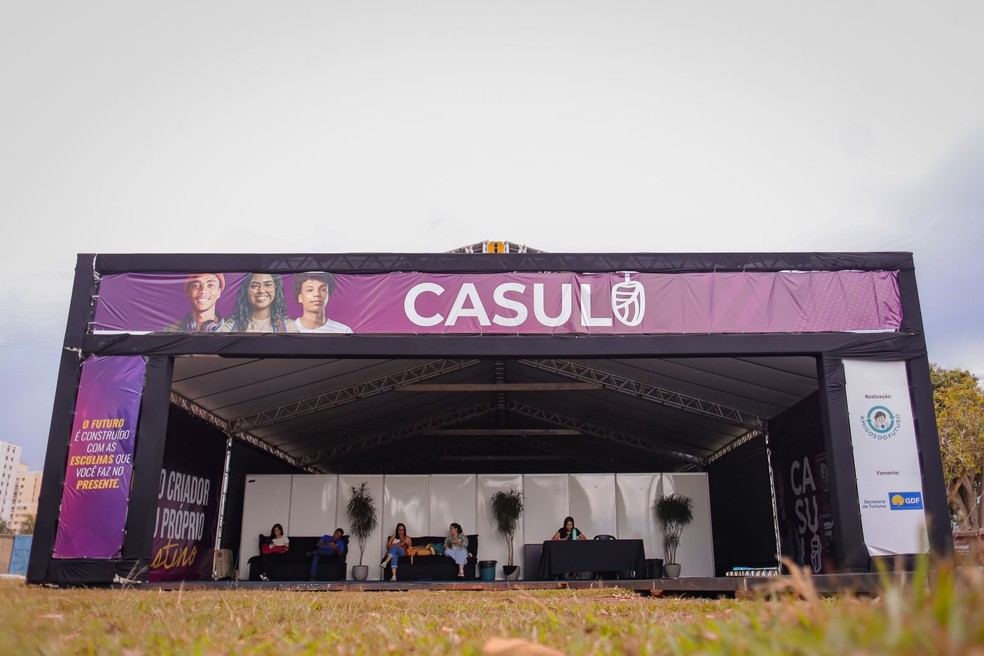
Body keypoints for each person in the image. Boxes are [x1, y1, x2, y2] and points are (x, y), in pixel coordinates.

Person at [221, 273, 299, 333]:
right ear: (246, 290)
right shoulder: (230, 326)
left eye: (268, 284)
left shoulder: (289, 327)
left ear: (276, 288)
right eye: (255, 286)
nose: (261, 290)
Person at [162, 273, 226, 333]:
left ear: (219, 292)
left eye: (210, 285)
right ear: (188, 292)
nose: (203, 291)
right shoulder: (168, 331)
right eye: (196, 286)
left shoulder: (232, 331)